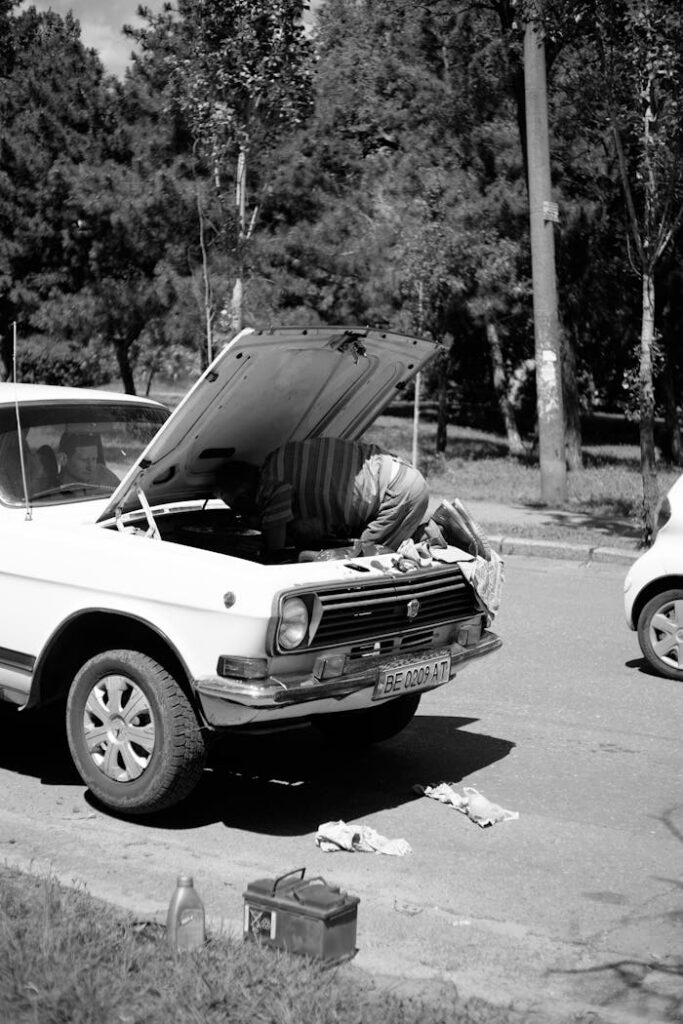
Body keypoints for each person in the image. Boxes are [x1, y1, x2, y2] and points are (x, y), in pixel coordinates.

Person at [215, 437, 429, 557]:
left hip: (396, 491)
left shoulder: (271, 482)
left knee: (360, 564)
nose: (238, 511)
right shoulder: (280, 459)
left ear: (243, 492)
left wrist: (268, 550)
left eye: (235, 504)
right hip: (402, 477)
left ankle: (435, 533)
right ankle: (433, 532)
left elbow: (276, 546)